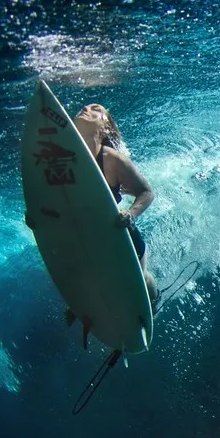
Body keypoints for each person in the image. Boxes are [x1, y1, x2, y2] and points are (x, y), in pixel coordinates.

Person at [72, 103, 158, 304]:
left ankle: (153, 304)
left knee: (142, 279)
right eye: (86, 106)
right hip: (86, 236)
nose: (86, 107)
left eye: (96, 109)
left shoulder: (111, 159)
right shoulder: (62, 157)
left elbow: (147, 192)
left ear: (105, 129)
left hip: (119, 233)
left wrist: (131, 213)